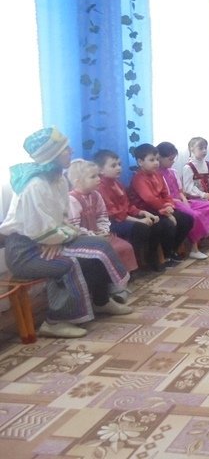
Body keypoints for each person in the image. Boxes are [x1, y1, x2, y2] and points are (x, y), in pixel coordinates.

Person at [0, 127, 132, 338]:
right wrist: (54, 239)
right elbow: (37, 227)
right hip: (25, 251)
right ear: (51, 154)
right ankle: (55, 321)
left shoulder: (58, 179)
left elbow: (60, 218)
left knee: (100, 246)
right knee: (67, 264)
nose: (71, 151)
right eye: (65, 149)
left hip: (52, 238)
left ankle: (101, 301)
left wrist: (58, 239)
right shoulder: (35, 184)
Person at [95, 149, 174, 272]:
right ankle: (135, 264)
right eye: (113, 166)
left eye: (119, 164)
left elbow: (128, 206)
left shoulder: (118, 184)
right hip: (112, 222)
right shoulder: (101, 187)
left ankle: (152, 258)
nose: (118, 168)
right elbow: (115, 213)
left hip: (124, 217)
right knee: (141, 228)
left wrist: (143, 213)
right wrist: (140, 221)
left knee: (156, 223)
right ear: (100, 170)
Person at [156, 141, 209, 259]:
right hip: (173, 203)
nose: (173, 161)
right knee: (194, 215)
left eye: (173, 159)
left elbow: (180, 191)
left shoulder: (173, 172)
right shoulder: (158, 175)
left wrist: (185, 201)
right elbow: (166, 196)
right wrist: (182, 203)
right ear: (160, 158)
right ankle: (194, 249)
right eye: (170, 159)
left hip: (182, 201)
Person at [67, 159, 138, 275]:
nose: (98, 179)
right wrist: (93, 235)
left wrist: (103, 229)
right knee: (106, 252)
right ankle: (111, 278)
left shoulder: (96, 195)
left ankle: (123, 276)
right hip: (82, 238)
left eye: (98, 175)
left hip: (99, 234)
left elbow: (102, 216)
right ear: (78, 181)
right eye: (93, 177)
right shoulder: (72, 200)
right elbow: (74, 227)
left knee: (125, 247)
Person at [128, 143, 194, 265]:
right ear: (140, 162)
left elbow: (166, 193)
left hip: (161, 208)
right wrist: (166, 211)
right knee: (167, 224)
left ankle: (172, 250)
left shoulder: (158, 175)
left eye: (157, 159)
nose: (156, 163)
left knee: (187, 219)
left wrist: (169, 205)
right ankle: (164, 256)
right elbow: (149, 199)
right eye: (152, 160)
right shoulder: (138, 178)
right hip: (146, 211)